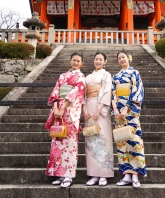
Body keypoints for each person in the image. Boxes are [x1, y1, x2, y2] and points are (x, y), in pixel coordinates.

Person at [45, 52, 86, 188]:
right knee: (58, 142)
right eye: (73, 60)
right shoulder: (62, 76)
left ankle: (68, 175)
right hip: (59, 113)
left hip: (70, 113)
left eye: (78, 61)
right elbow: (56, 92)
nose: (75, 63)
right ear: (70, 61)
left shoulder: (81, 77)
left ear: (82, 64)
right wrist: (56, 108)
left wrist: (63, 108)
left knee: (70, 144)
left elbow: (77, 93)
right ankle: (59, 174)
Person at [112, 50, 147, 188]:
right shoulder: (116, 76)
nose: (121, 60)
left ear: (128, 58)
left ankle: (136, 174)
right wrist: (115, 109)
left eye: (123, 57)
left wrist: (126, 108)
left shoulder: (135, 73)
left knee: (134, 140)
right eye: (119, 58)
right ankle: (126, 173)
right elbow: (113, 93)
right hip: (118, 114)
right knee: (121, 142)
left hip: (130, 111)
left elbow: (137, 91)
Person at [82, 52, 114, 186]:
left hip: (100, 108)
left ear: (105, 61)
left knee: (103, 138)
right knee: (91, 139)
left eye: (101, 59)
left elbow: (107, 92)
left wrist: (99, 109)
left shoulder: (106, 75)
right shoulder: (87, 77)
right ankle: (93, 174)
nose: (98, 61)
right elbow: (82, 93)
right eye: (96, 59)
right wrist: (84, 109)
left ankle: (104, 174)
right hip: (88, 106)